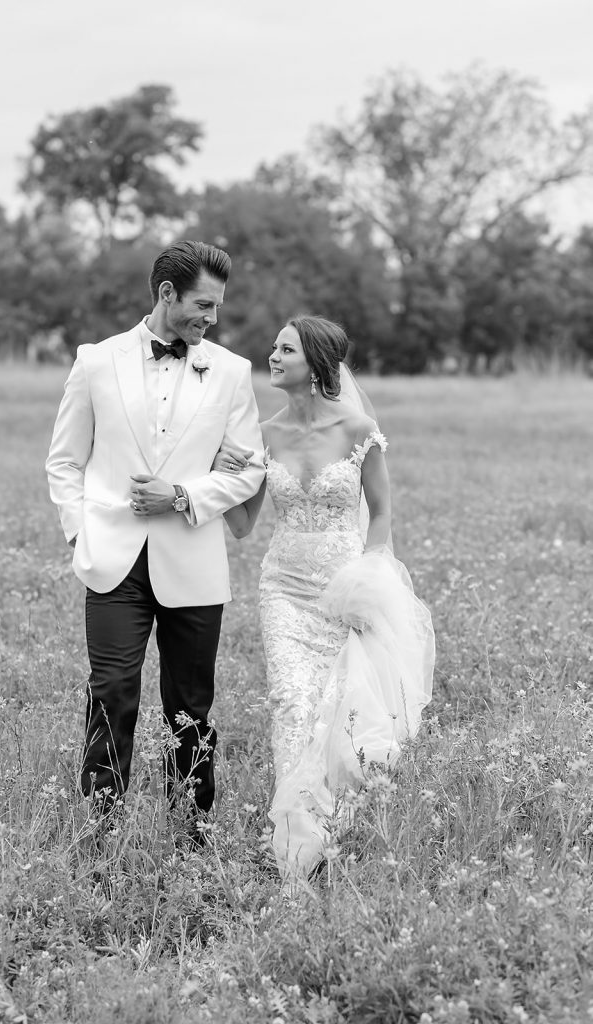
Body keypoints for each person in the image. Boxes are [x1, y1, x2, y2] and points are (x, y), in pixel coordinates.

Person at [45, 240, 265, 832]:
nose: (211, 319)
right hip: (113, 559)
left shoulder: (232, 372)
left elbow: (249, 468)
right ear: (167, 294)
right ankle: (101, 828)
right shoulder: (96, 361)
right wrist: (78, 533)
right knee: (112, 691)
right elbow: (65, 461)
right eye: (203, 304)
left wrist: (186, 497)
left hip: (192, 560)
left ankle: (190, 834)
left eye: (216, 308)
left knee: (190, 707)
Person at [216, 315, 434, 885]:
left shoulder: (358, 428)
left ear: (315, 363)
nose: (273, 354)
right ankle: (294, 848)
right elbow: (242, 525)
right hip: (283, 589)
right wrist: (218, 477)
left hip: (343, 589)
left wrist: (370, 582)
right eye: (274, 346)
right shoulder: (264, 434)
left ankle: (337, 825)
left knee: (340, 709)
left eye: (285, 348)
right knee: (291, 702)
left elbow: (382, 513)